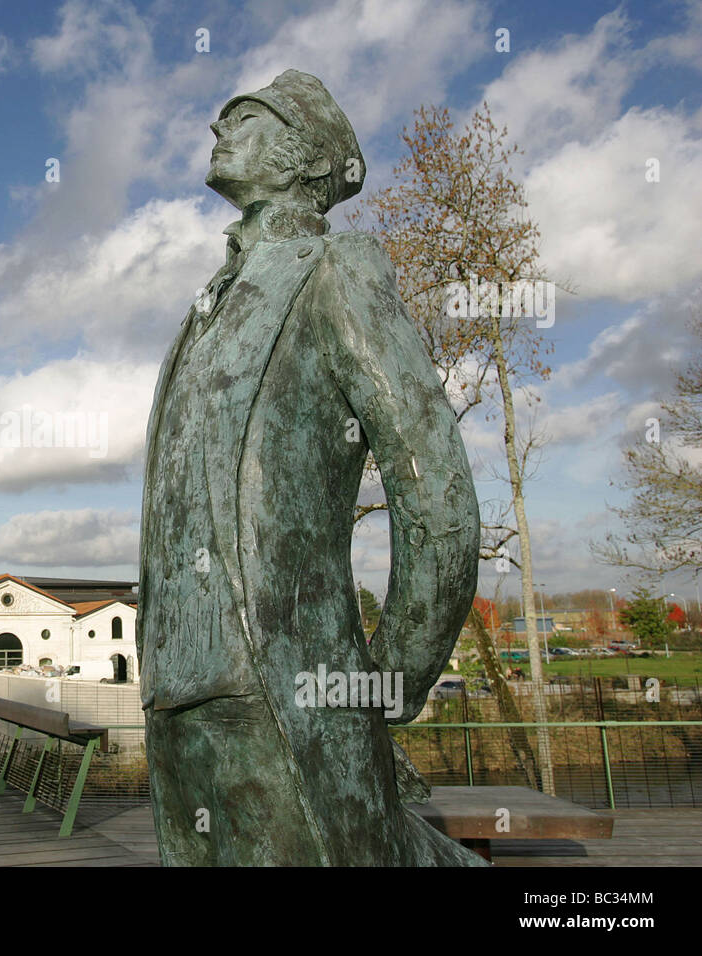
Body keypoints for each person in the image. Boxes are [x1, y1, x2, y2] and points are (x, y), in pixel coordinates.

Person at [138, 70, 483, 866]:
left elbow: (438, 498)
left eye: (245, 119)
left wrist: (387, 683)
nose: (218, 130)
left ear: (301, 158)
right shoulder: (208, 302)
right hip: (178, 685)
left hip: (289, 680)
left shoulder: (337, 271)